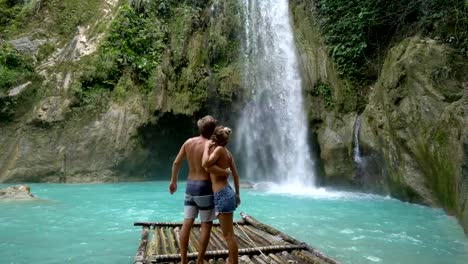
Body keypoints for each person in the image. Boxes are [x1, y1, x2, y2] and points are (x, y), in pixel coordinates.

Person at [169, 115, 229, 264]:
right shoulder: (212, 145)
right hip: (205, 188)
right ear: (213, 130)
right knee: (206, 224)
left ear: (200, 127)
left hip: (190, 187)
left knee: (187, 223)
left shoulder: (188, 142)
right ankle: (200, 260)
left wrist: (173, 181)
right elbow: (213, 166)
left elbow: (176, 162)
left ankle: (183, 260)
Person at [202, 126, 241, 264]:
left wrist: (207, 147)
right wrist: (237, 194)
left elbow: (206, 163)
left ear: (215, 139)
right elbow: (235, 175)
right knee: (229, 234)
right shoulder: (228, 153)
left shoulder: (218, 150)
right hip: (228, 192)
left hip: (222, 194)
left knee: (228, 235)